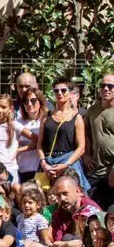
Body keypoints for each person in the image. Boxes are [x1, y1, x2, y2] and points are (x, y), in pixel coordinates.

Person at [38, 77, 89, 190]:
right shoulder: (46, 116)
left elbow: (81, 147)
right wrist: (43, 164)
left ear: (70, 93)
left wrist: (66, 164)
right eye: (56, 91)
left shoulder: (77, 118)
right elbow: (39, 144)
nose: (59, 93)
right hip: (48, 164)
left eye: (63, 90)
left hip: (68, 163)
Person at [0, 94, 30, 185]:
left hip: (9, 169)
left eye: (4, 107)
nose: (0, 110)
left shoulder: (15, 126)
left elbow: (37, 140)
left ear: (10, 109)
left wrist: (19, 150)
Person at [86, 73, 114, 208]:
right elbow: (85, 134)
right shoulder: (92, 110)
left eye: (110, 86)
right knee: (92, 207)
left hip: (112, 170)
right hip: (96, 169)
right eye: (103, 86)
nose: (106, 89)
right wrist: (85, 155)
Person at [17, 88, 46, 183]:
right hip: (20, 167)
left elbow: (41, 142)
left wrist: (19, 150)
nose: (29, 104)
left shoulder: (45, 121)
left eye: (33, 100)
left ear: (40, 101)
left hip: (38, 168)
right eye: (26, 101)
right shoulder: (18, 122)